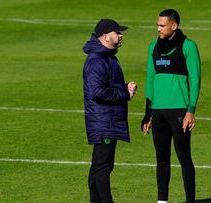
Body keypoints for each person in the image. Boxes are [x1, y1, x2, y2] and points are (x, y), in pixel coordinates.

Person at [141, 9, 201, 203]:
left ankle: (190, 200)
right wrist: (147, 113)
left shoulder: (188, 46)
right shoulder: (153, 47)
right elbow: (150, 79)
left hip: (179, 110)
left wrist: (190, 110)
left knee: (184, 157)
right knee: (161, 159)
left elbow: (195, 78)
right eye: (157, 25)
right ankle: (162, 201)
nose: (158, 29)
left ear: (174, 26)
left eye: (162, 25)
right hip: (158, 111)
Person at [82, 19, 137, 203]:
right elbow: (97, 92)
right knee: (103, 167)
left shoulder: (106, 56)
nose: (121, 35)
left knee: (99, 165)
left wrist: (123, 87)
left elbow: (106, 86)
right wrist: (124, 93)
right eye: (117, 32)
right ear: (105, 36)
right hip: (104, 121)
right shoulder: (97, 60)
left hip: (106, 119)